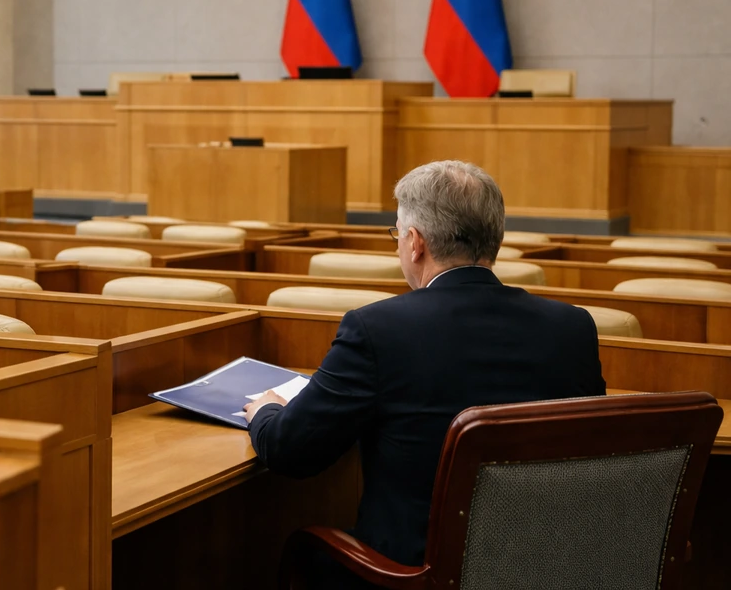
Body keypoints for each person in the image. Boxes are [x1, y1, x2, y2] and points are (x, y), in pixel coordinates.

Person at [244, 160, 606, 582]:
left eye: (397, 233)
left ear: (415, 243)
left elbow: (291, 451)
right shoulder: (573, 328)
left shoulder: (377, 329)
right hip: (544, 571)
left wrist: (266, 410)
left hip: (411, 575)